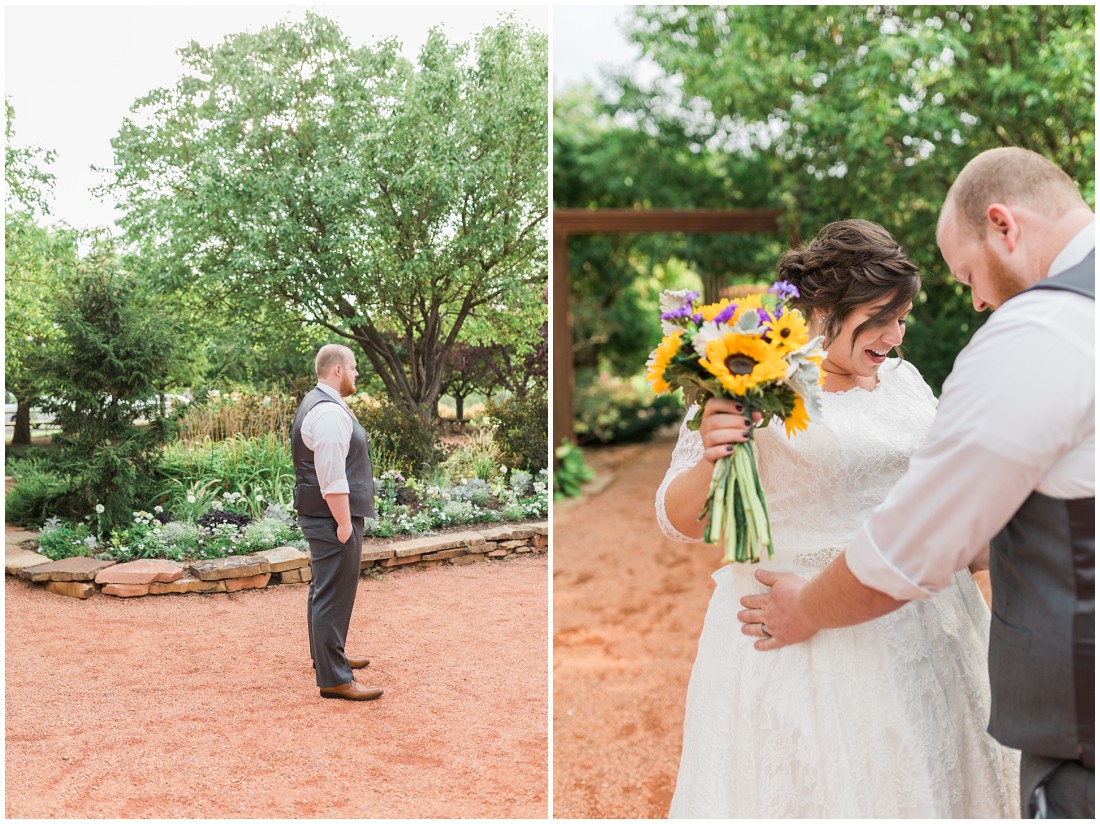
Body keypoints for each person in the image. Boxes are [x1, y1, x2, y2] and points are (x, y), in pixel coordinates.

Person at [739, 148, 1094, 818]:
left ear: (1004, 227)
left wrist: (805, 608)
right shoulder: (769, 382)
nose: (981, 300)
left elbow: (915, 544)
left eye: (969, 275)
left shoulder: (1037, 332)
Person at [656, 219, 1019, 817]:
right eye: (881, 317)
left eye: (902, 318)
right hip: (797, 636)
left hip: (926, 622)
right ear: (823, 308)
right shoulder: (752, 382)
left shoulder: (905, 383)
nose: (896, 337)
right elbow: (679, 518)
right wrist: (717, 453)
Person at [291, 343, 384, 701]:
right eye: (354, 367)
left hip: (320, 515)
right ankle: (334, 678)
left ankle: (329, 656)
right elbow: (331, 474)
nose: (358, 373)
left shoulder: (317, 402)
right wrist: (344, 523)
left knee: (324, 590)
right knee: (333, 593)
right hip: (331, 519)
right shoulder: (329, 413)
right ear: (338, 370)